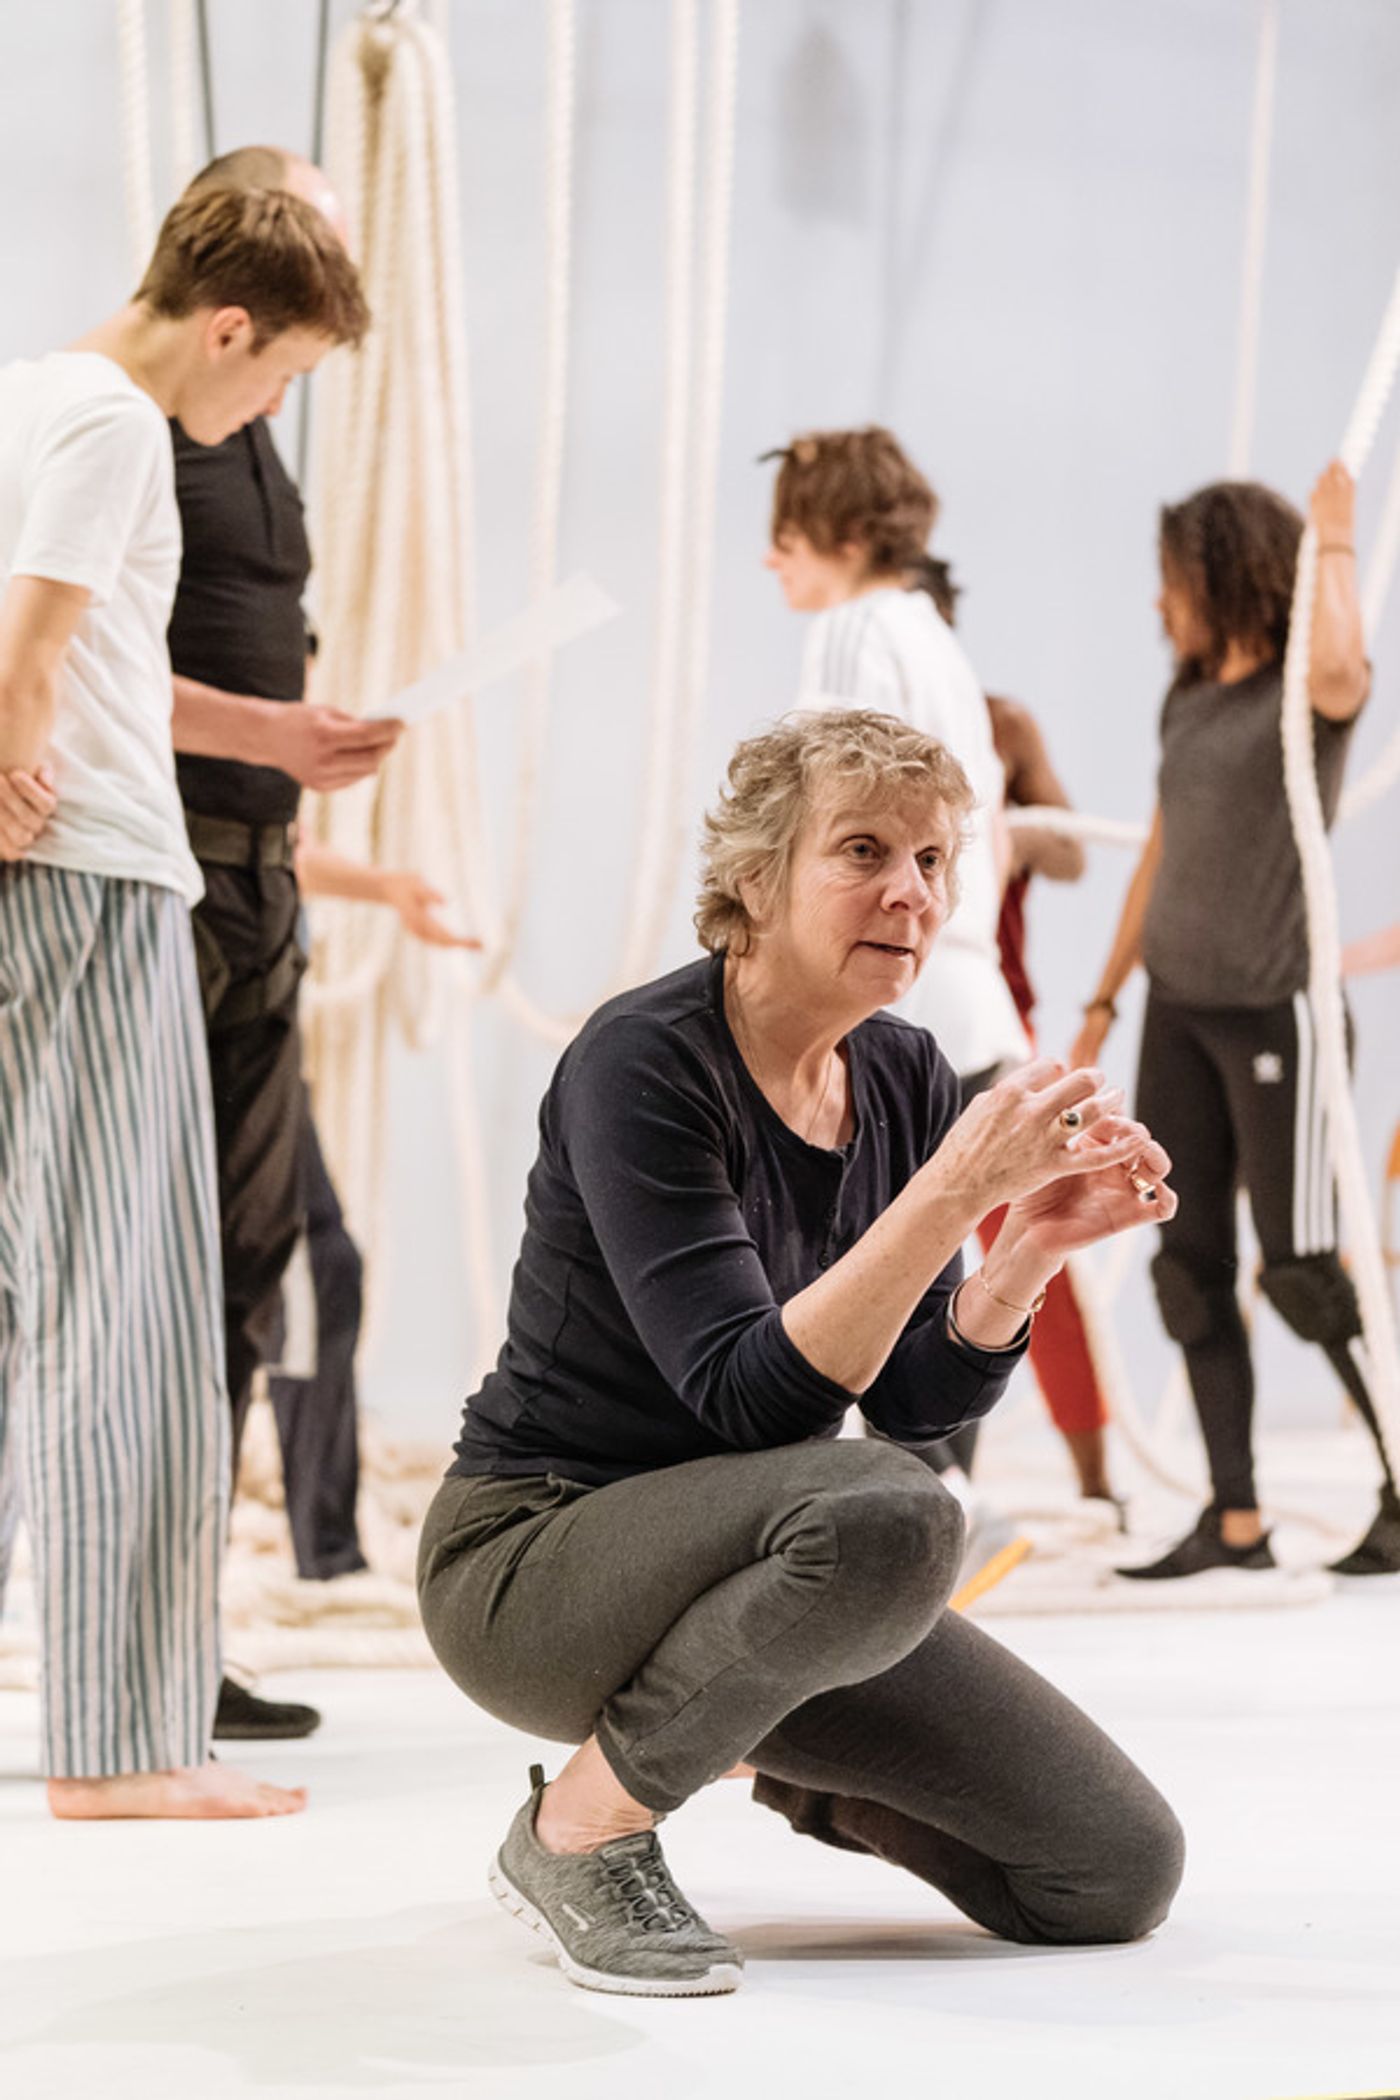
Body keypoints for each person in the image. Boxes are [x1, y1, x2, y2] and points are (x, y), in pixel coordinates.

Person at [418, 708, 1184, 1998]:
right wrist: (948, 1194)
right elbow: (743, 1398)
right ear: (755, 882)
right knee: (891, 1516)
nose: (911, 891)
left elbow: (910, 1401)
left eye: (934, 860)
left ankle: (754, 1734)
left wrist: (1020, 1253)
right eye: (864, 850)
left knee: (1111, 1873)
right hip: (532, 1560)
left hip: (750, 1578)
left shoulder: (899, 1071)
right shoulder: (641, 1061)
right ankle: (578, 1830)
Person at [0, 182, 367, 1816]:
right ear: (229, 329)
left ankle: (111, 1733)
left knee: (50, 1304)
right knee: (126, 1321)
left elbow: (82, 655)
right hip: (93, 880)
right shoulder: (121, 427)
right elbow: (41, 642)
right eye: (279, 376)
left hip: (63, 868)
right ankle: (117, 1747)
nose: (269, 410)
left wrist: (268, 735)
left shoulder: (26, 399)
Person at [165, 147, 403, 1741]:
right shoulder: (141, 428)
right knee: (115, 1275)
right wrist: (267, 729)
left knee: (257, 1269)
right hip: (163, 881)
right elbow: (89, 661)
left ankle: (183, 1637)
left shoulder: (258, 443)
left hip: (264, 889)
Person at [1071, 463, 1400, 1579]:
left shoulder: (1304, 696)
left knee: (1302, 1271)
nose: (1158, 603)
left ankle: (1399, 1484)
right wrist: (1103, 998)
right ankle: (1234, 1518)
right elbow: (1157, 858)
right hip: (1175, 1013)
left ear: (1221, 574)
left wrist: (1337, 541)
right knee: (1186, 1265)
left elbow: (1348, 663)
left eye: (1170, 580)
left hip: (1278, 1015)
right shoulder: (1189, 693)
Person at [764, 427, 1028, 1522]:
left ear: (834, 533)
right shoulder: (932, 640)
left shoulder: (852, 633)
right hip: (964, 997)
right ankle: (935, 1491)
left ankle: (917, 1507)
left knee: (870, 1259)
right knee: (934, 1259)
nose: (770, 561)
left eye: (781, 535)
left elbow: (824, 811)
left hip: (899, 1000)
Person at [916, 555, 1119, 1507]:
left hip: (994, 1013)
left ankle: (1094, 1482)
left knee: (1038, 1236)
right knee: (911, 1249)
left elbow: (1073, 850)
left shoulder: (997, 725)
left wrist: (987, 829)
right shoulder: (861, 739)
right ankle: (943, 1489)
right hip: (889, 1020)